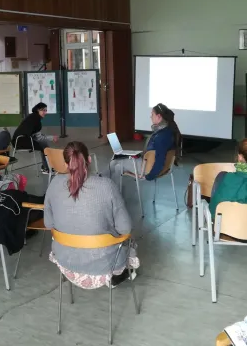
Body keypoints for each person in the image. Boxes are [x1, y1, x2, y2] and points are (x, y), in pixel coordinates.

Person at [45, 142, 139, 289]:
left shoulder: (54, 183)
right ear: (89, 160)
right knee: (128, 240)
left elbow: (48, 224)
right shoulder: (107, 186)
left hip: (65, 260)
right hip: (105, 263)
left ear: (66, 164)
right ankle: (115, 276)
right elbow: (125, 228)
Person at [110, 103, 181, 181]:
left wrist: (149, 176)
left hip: (145, 168)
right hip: (153, 164)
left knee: (115, 161)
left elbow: (160, 160)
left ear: (159, 116)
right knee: (118, 164)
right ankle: (106, 181)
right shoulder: (169, 132)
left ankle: (102, 180)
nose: (150, 116)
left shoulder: (161, 137)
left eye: (152, 114)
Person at [12, 103, 59, 174]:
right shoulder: (36, 119)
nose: (45, 112)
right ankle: (46, 168)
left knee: (43, 144)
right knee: (44, 147)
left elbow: (37, 135)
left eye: (46, 110)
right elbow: (39, 138)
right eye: (43, 110)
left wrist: (51, 137)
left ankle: (46, 167)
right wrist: (52, 138)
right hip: (22, 142)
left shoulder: (33, 116)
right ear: (38, 110)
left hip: (18, 141)